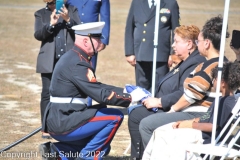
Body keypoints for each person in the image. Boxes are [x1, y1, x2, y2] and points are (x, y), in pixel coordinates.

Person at [39, 22, 149, 160]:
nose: (100, 42)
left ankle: (58, 151)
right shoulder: (78, 63)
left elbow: (97, 86)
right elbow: (101, 94)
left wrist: (125, 91)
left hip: (60, 117)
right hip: (63, 120)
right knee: (114, 117)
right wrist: (130, 98)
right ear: (86, 41)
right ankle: (87, 157)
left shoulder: (74, 57)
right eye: (97, 39)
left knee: (104, 146)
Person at [139, 15, 229, 150]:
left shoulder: (211, 66)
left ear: (207, 43)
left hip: (199, 113)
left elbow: (191, 95)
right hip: (196, 111)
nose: (196, 44)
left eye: (198, 41)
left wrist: (172, 111)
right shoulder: (217, 62)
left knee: (146, 124)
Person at [128, 25, 206, 159]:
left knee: (139, 117)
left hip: (181, 109)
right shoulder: (186, 61)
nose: (173, 45)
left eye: (176, 41)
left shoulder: (194, 62)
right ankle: (139, 155)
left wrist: (159, 102)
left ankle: (148, 155)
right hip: (171, 105)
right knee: (136, 113)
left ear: (189, 44)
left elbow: (184, 91)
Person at [142, 61, 240, 160]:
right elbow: (207, 117)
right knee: (160, 131)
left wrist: (190, 125)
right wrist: (187, 121)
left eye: (214, 79)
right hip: (200, 133)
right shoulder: (221, 99)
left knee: (165, 135)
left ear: (222, 83)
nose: (212, 82)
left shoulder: (227, 102)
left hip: (206, 138)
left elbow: (213, 126)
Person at [34, 0, 80, 139]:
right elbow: (38, 35)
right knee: (47, 93)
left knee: (70, 92)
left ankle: (68, 126)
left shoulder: (72, 10)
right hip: (49, 61)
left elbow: (80, 31)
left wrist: (68, 20)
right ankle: (46, 128)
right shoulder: (41, 13)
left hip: (68, 60)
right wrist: (50, 25)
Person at [124, 0, 180, 92]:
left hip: (161, 54)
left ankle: (157, 106)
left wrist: (173, 53)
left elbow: (176, 29)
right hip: (141, 52)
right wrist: (129, 52)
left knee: (160, 87)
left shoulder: (170, 3)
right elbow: (129, 27)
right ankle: (142, 106)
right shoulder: (137, 2)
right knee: (142, 88)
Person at [66, 0, 110, 106]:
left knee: (88, 73)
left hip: (91, 40)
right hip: (70, 36)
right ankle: (70, 103)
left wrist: (103, 40)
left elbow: (105, 15)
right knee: (69, 71)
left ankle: (86, 104)